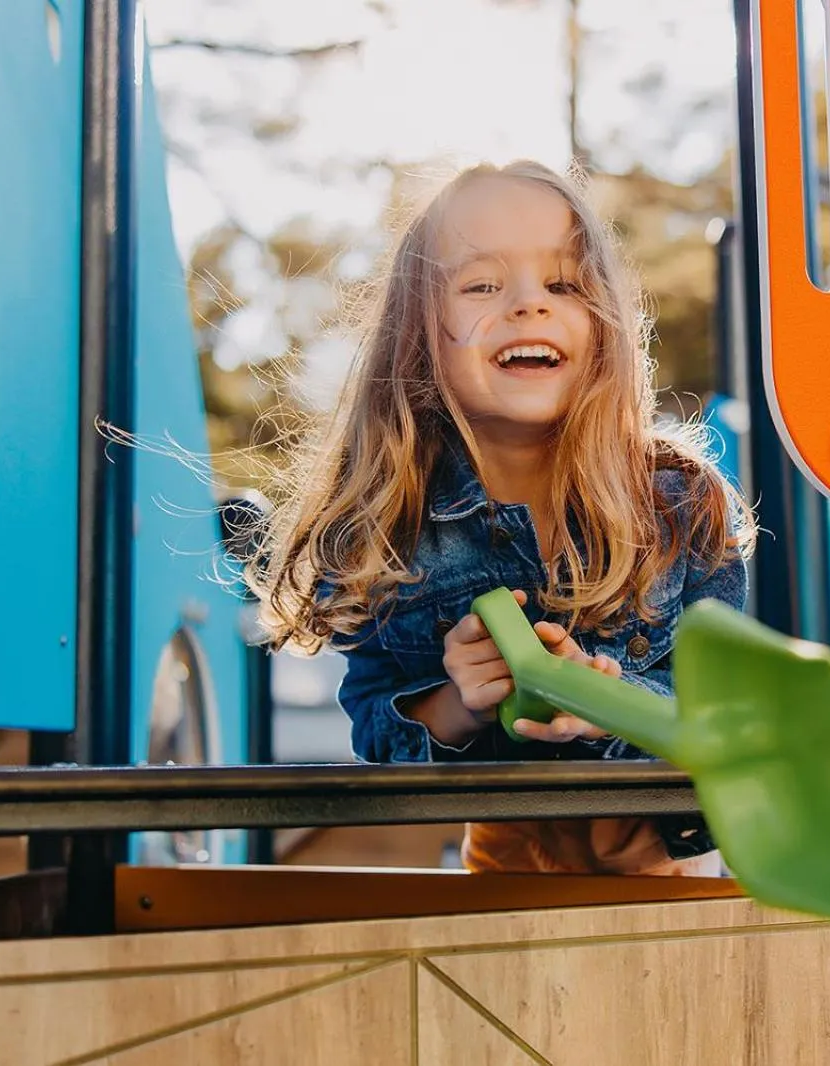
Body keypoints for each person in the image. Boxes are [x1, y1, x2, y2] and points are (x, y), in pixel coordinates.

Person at [244, 160, 755, 877]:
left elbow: (730, 722)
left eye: (563, 284)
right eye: (482, 284)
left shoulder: (677, 502)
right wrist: (461, 704)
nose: (527, 305)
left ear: (604, 322)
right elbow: (378, 729)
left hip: (670, 874)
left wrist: (606, 703)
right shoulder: (391, 526)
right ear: (421, 333)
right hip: (506, 876)